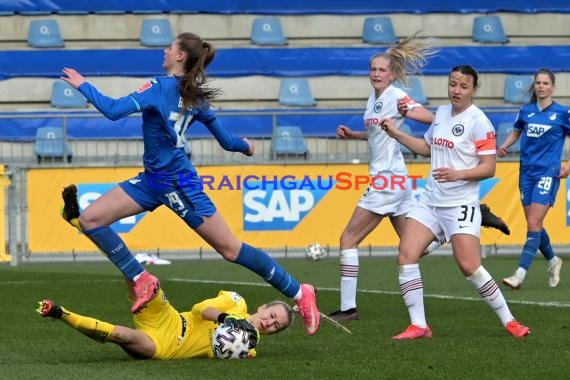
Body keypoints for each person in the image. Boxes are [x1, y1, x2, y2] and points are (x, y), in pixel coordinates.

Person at [58, 32, 319, 335]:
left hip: (179, 182)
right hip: (153, 179)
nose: (165, 51)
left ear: (180, 56)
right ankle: (141, 278)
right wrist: (244, 146)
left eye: (170, 47)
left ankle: (301, 293)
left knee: (231, 250)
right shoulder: (195, 96)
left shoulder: (159, 86)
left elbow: (114, 111)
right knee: (90, 219)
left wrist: (83, 85)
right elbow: (225, 139)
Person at [328, 35, 510, 321]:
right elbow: (379, 134)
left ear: (393, 73)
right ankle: (470, 220)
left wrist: (415, 115)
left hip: (387, 179)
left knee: (348, 238)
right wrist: (355, 135)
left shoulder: (397, 96)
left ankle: (348, 307)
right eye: (372, 69)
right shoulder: (373, 99)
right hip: (394, 179)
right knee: (413, 249)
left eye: (381, 70)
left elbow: (432, 119)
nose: (376, 74)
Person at [381, 64, 530, 339]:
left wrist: (458, 173)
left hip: (460, 203)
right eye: (452, 84)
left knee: (469, 266)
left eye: (463, 86)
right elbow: (428, 149)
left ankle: (510, 320)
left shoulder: (479, 122)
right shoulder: (440, 114)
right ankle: (419, 325)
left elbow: (489, 167)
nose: (456, 90)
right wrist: (398, 135)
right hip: (431, 201)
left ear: (474, 89)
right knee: (406, 254)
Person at [37, 281, 293, 360]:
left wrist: (244, 338)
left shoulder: (248, 350)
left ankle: (59, 313)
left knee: (122, 336)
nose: (270, 323)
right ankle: (83, 222)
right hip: (168, 318)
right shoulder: (237, 302)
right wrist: (227, 319)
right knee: (143, 281)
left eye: (276, 326)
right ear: (262, 307)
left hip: (164, 346)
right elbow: (199, 308)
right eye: (272, 316)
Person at [498, 68, 570, 289]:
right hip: (526, 173)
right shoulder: (526, 110)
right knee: (535, 224)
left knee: (533, 223)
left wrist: (568, 162)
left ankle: (519, 274)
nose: (541, 86)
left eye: (545, 83)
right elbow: (516, 131)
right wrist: (504, 145)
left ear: (553, 87)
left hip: (548, 173)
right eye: (538, 83)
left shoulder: (563, 112)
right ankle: (553, 260)